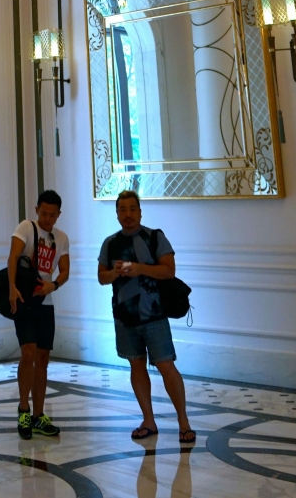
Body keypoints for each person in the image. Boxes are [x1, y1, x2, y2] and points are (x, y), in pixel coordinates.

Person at [97, 190, 194, 446]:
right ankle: (148, 420)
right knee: (136, 366)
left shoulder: (154, 237)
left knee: (165, 365)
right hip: (124, 316)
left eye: (132, 209)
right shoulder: (110, 243)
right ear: (117, 213)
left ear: (140, 212)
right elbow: (101, 277)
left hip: (154, 315)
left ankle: (183, 421)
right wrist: (116, 273)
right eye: (122, 210)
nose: (127, 214)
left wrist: (140, 269)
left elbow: (169, 271)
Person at [7, 190, 70, 440]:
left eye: (52, 215)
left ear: (58, 214)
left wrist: (52, 285)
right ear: (36, 210)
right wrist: (11, 288)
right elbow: (13, 257)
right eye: (44, 213)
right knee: (28, 353)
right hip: (24, 298)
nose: (47, 219)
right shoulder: (25, 227)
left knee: (43, 357)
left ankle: (39, 415)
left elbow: (65, 271)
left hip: (45, 300)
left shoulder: (61, 237)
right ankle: (24, 409)